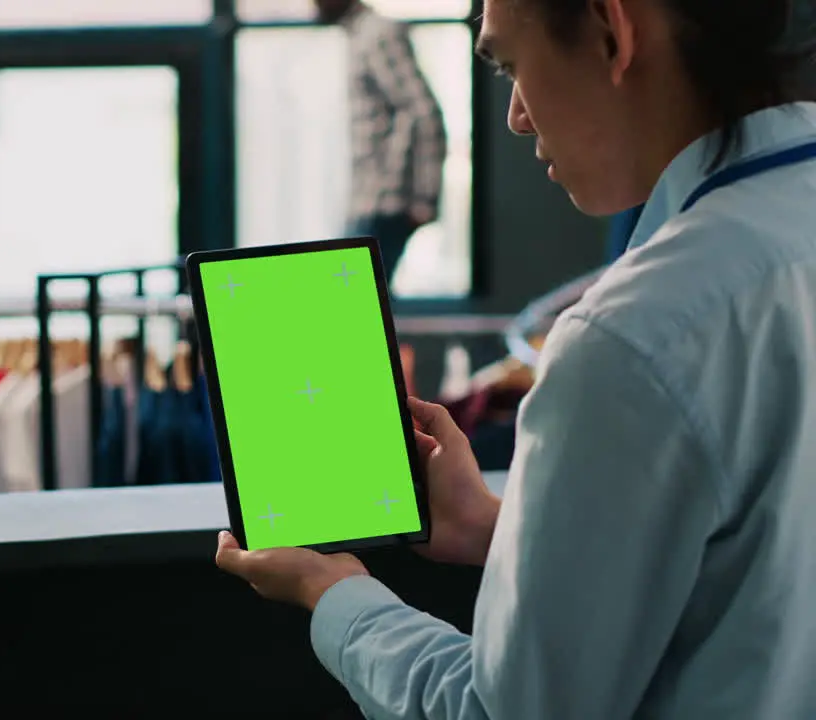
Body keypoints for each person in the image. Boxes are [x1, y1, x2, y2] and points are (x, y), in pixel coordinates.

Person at [216, 0, 816, 718]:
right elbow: (757, 573)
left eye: (509, 66)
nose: (518, 118)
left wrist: (333, 594)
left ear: (610, 29)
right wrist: (498, 530)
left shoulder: (631, 337)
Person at [316, 0, 447, 281]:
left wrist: (425, 197)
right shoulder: (359, 36)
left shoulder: (378, 34)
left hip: (384, 203)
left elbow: (423, 111)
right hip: (367, 202)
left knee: (352, 310)